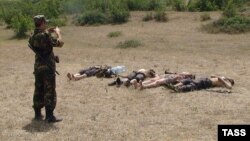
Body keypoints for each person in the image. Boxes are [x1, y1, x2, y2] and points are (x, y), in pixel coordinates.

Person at [29, 15, 64, 123]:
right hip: (48, 67)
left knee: (38, 89)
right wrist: (58, 33)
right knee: (49, 90)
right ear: (42, 23)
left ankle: (37, 114)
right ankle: (49, 116)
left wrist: (47, 31)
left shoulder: (32, 35)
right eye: (45, 22)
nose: (47, 24)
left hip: (38, 67)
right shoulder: (45, 35)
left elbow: (39, 40)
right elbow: (60, 43)